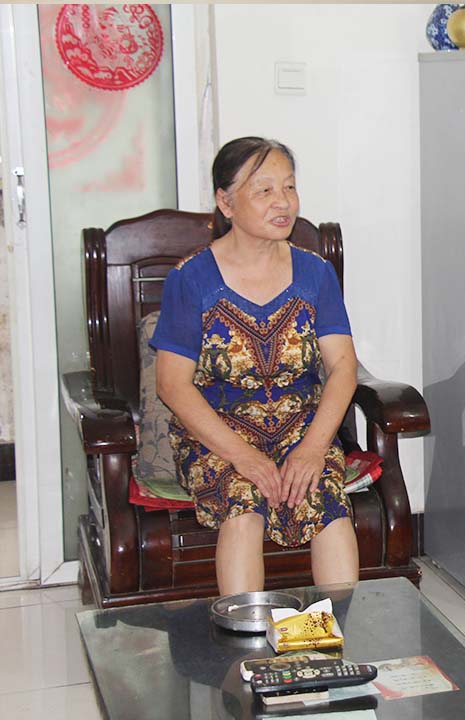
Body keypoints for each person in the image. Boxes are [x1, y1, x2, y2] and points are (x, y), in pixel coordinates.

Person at [152, 137, 360, 594]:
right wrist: (243, 456)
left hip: (300, 429)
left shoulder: (315, 273)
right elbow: (172, 384)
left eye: (289, 187)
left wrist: (312, 448)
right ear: (226, 203)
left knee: (325, 498)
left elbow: (344, 367)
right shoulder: (191, 279)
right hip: (218, 435)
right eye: (264, 190)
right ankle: (246, 636)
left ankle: (333, 630)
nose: (282, 202)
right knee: (243, 502)